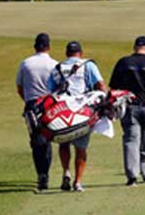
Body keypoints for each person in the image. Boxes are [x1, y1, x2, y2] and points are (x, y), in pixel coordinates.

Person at [109, 36, 145, 186]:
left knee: (131, 140)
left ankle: (132, 176)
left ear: (134, 47)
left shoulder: (123, 63)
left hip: (129, 108)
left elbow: (113, 89)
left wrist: (112, 108)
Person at [46, 40, 105, 192]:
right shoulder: (88, 65)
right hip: (82, 112)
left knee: (64, 143)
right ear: (81, 53)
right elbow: (101, 86)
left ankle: (66, 172)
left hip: (62, 112)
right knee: (81, 148)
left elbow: (50, 92)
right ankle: (77, 181)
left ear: (66, 54)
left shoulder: (57, 68)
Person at [16, 33, 58, 191]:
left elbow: (20, 88)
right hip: (50, 105)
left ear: (35, 46)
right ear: (48, 47)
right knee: (48, 139)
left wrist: (27, 101)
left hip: (32, 105)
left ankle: (42, 174)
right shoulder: (54, 64)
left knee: (36, 141)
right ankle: (45, 173)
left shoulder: (26, 63)